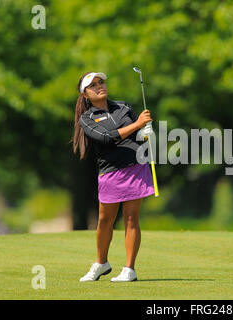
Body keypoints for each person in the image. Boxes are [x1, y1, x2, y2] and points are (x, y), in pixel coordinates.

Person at [72, 71, 155, 282]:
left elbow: (138, 134)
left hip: (135, 167)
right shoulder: (87, 119)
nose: (100, 86)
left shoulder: (124, 107)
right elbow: (107, 138)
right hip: (111, 172)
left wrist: (146, 132)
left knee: (131, 219)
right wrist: (137, 125)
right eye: (94, 85)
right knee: (104, 220)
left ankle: (129, 269)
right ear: (85, 95)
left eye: (102, 82)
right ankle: (101, 263)